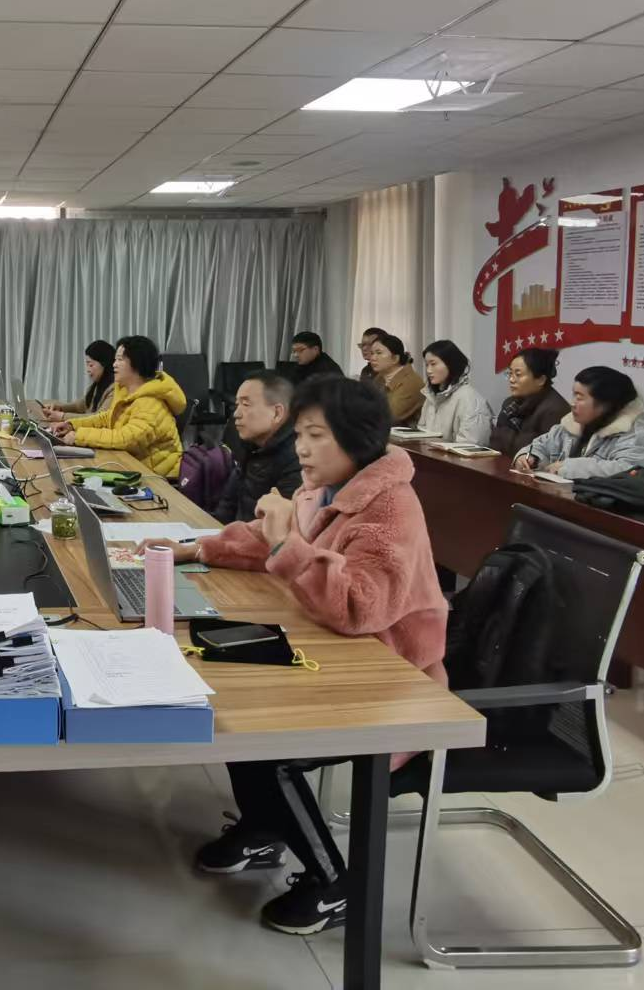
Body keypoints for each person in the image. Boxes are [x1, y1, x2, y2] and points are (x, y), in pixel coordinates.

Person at [194, 375, 447, 935]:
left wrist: (285, 545)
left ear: (357, 440)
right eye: (300, 434)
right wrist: (196, 548)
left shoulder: (390, 509)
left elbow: (359, 606)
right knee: (237, 706)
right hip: (334, 652)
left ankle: (337, 884)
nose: (302, 448)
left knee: (269, 744)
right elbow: (265, 540)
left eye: (317, 435)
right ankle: (265, 829)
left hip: (389, 677)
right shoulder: (324, 489)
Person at [142, 370, 302, 566]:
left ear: (277, 413)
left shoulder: (299, 462)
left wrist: (196, 550)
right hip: (229, 553)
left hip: (258, 566)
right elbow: (224, 514)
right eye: (237, 404)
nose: (236, 414)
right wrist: (192, 543)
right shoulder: (250, 448)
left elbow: (272, 544)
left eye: (246, 405)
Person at [46, 334, 186, 477]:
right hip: (132, 465)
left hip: (157, 476)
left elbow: (126, 439)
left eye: (120, 359)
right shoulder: (126, 391)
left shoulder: (151, 402)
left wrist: (79, 436)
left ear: (137, 363)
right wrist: (71, 425)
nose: (114, 364)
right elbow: (107, 418)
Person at [515, 365, 644, 479]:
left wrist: (570, 467)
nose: (573, 403)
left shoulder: (639, 434)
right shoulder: (573, 425)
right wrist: (531, 458)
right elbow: (542, 445)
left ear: (605, 403)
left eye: (579, 397)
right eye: (574, 395)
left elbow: (632, 473)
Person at [489, 348, 571, 459]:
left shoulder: (555, 410)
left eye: (518, 374)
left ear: (541, 380)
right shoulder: (509, 404)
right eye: (510, 373)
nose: (511, 379)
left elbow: (542, 455)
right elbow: (494, 445)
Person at [415, 339, 493, 444]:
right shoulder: (431, 396)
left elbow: (471, 446)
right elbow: (421, 435)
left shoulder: (469, 399)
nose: (428, 370)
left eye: (433, 364)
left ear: (450, 364)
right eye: (427, 365)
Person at [42, 340, 116, 423]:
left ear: (104, 364)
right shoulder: (97, 385)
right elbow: (80, 405)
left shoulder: (114, 389)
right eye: (87, 365)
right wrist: (59, 408)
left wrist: (63, 416)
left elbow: (99, 418)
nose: (88, 370)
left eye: (91, 365)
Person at [366, 333, 425, 426]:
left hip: (404, 434)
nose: (372, 358)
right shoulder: (380, 377)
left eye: (379, 353)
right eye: (372, 353)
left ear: (395, 358)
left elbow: (387, 417)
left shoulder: (410, 382)